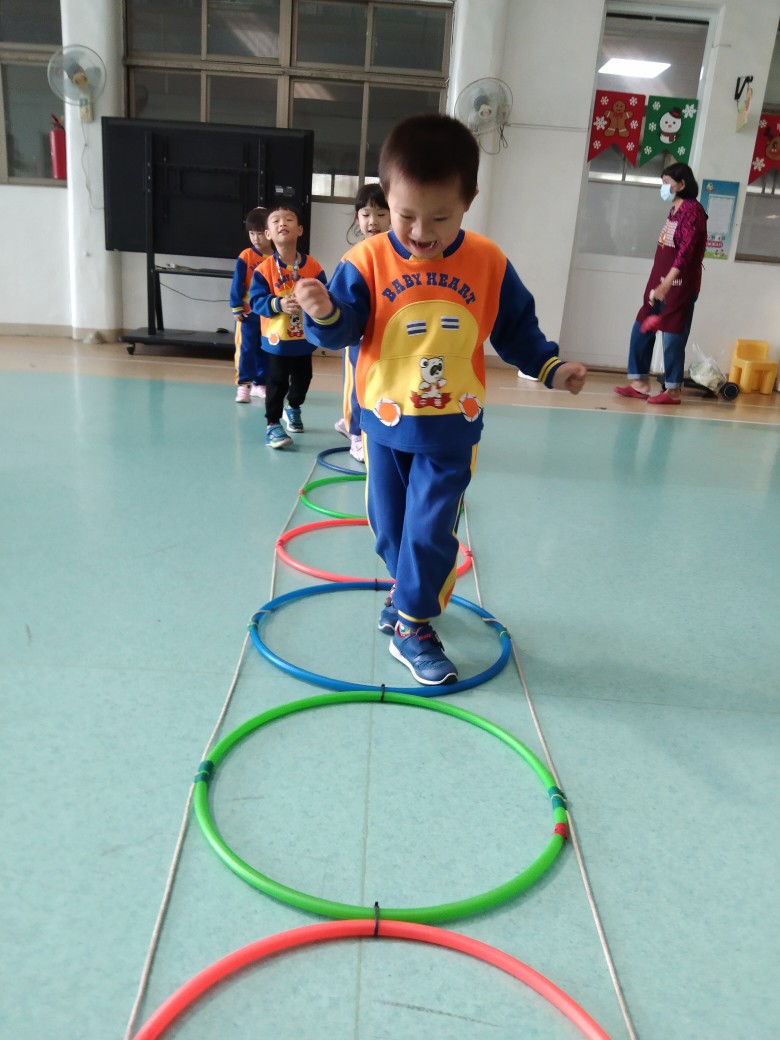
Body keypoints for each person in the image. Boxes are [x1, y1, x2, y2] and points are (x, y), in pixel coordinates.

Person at [295, 114, 587, 686]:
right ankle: (406, 594)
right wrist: (324, 311)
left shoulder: (487, 261)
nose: (421, 232)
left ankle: (413, 624)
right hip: (384, 422)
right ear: (386, 198)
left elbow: (516, 329)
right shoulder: (366, 261)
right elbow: (344, 328)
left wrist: (551, 368)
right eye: (406, 216)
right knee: (389, 528)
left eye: (440, 217)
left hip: (452, 425)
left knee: (429, 529)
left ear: (468, 201)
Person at [614, 162, 707, 406]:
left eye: (667, 183)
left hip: (679, 285)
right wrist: (659, 284)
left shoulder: (692, 210)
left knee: (673, 335)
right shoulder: (675, 210)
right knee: (642, 327)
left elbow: (686, 251)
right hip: (660, 283)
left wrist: (667, 283)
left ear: (682, 184)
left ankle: (673, 390)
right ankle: (639, 383)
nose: (663, 188)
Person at [248, 203, 327, 449]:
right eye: (276, 221)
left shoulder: (313, 267)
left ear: (300, 229)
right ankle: (272, 424)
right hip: (277, 341)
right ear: (268, 234)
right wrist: (279, 303)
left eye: (289, 219)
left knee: (304, 379)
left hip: (305, 338)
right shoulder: (264, 270)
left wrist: (316, 304)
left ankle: (293, 407)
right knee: (277, 381)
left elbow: (325, 294)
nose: (283, 223)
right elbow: (256, 301)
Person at [334, 184, 391, 463]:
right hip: (360, 338)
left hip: (388, 338)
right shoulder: (354, 258)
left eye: (381, 214)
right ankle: (354, 432)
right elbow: (340, 300)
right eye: (366, 214)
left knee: (383, 384)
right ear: (357, 218)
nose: (373, 221)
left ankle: (366, 424)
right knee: (358, 385)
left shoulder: (398, 253)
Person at [230, 206, 272, 403]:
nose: (256, 238)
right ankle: (243, 385)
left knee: (265, 350)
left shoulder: (277, 257)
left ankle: (260, 383)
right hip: (247, 314)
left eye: (260, 233)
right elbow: (237, 282)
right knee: (246, 350)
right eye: (252, 233)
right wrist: (236, 306)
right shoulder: (246, 256)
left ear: (270, 233)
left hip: (268, 314)